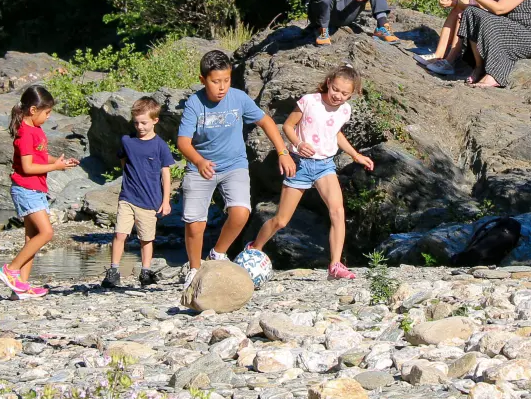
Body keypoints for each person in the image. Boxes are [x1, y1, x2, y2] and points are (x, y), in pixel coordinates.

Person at [177, 50, 296, 290]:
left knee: (241, 212)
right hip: (201, 167)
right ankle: (193, 269)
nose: (221, 87)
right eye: (215, 81)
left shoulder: (239, 99)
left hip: (234, 165)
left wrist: (283, 152)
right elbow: (183, 142)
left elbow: (266, 121)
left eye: (226, 80)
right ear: (203, 80)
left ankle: (218, 253)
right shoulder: (194, 103)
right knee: (195, 223)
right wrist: (199, 162)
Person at [244, 64, 374, 280]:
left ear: (352, 94)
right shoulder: (309, 101)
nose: (338, 96)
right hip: (301, 164)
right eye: (335, 90)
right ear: (329, 83)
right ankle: (254, 248)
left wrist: (356, 155)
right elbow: (287, 126)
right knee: (281, 220)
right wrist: (298, 142)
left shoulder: (344, 110)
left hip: (325, 165)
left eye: (344, 93)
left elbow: (336, 134)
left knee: (337, 211)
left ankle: (335, 266)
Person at [0, 85, 79, 299]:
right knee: (46, 233)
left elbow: (40, 159)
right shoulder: (24, 133)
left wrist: (59, 162)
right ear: (33, 110)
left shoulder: (36, 130)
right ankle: (10, 270)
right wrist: (55, 168)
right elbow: (28, 167)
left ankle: (20, 288)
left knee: (32, 238)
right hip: (26, 189)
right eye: (47, 113)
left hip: (36, 188)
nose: (48, 117)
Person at [102, 96, 174, 289]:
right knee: (120, 233)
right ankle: (113, 271)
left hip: (150, 201)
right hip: (128, 197)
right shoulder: (127, 141)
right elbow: (124, 161)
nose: (140, 127)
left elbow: (166, 174)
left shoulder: (160, 145)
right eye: (136, 123)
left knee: (146, 238)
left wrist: (165, 201)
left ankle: (145, 272)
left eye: (144, 123)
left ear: (155, 121)